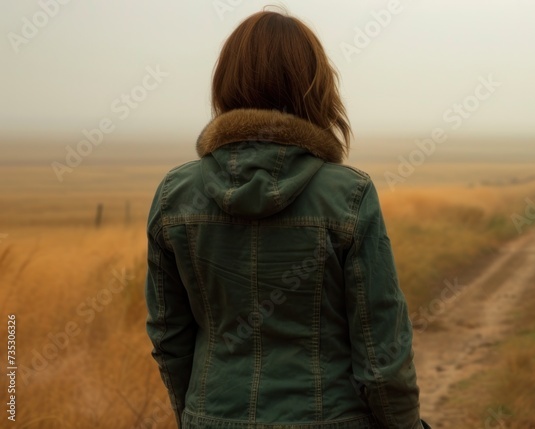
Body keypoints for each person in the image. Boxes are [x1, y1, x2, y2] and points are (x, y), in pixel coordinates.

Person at [143, 9, 427, 429]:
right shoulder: (349, 195)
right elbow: (380, 349)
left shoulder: (174, 194)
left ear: (225, 84)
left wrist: (197, 413)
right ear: (314, 87)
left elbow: (169, 336)